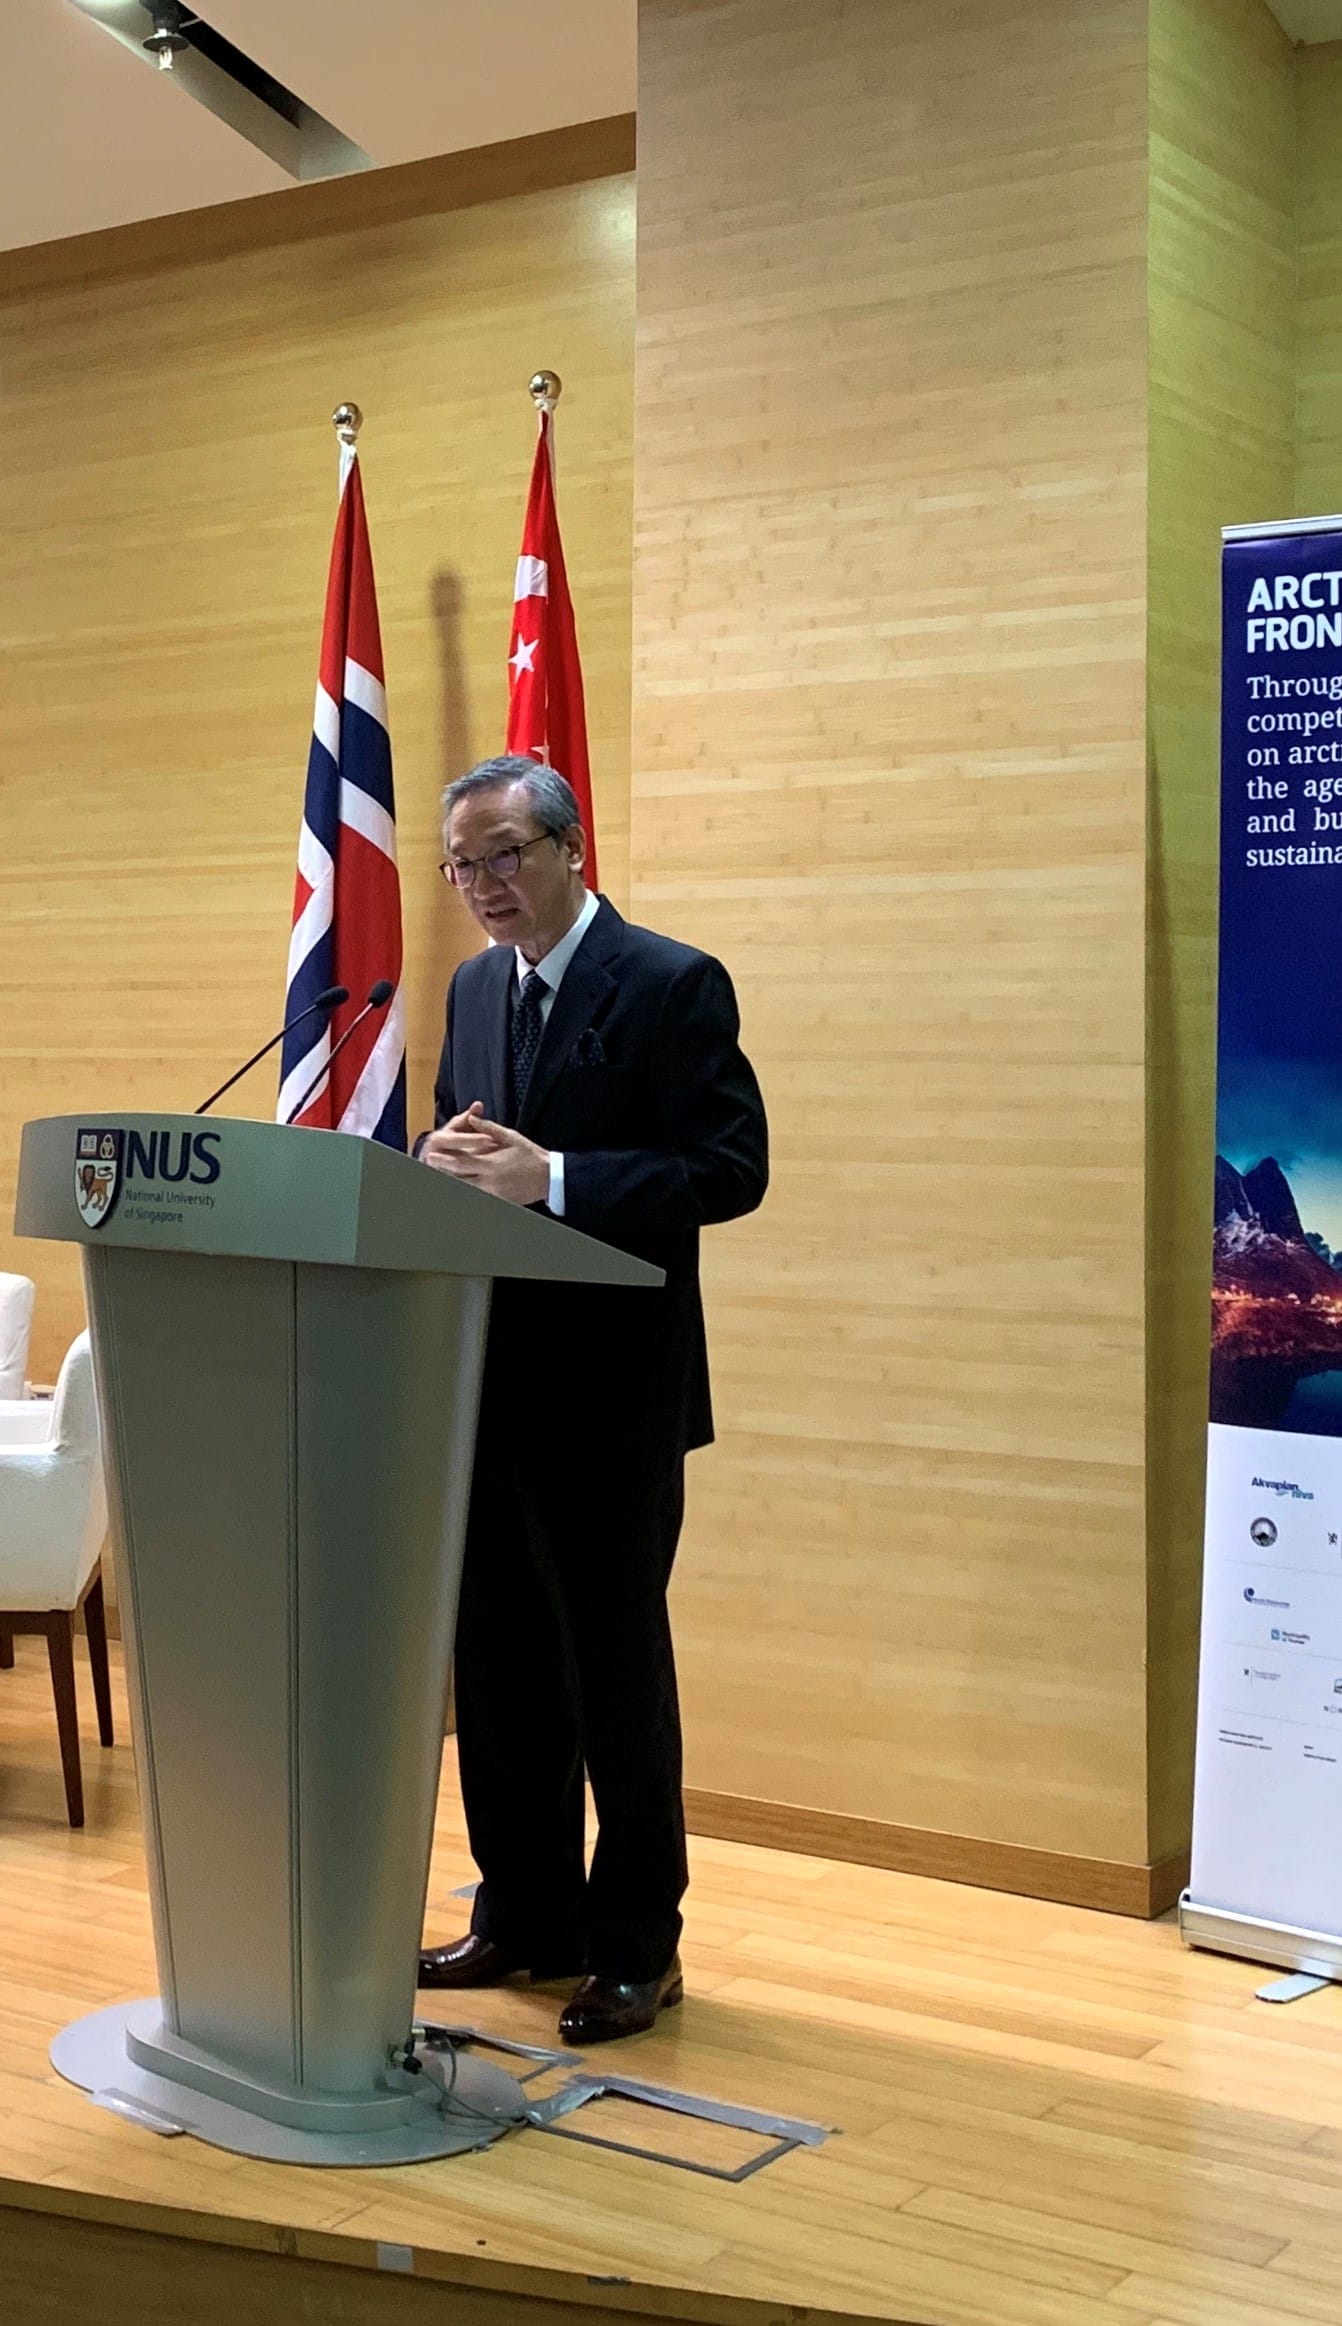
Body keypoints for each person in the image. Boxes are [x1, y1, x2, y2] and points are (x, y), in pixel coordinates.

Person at [416, 754, 767, 2043]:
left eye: (505, 856)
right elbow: (476, 1153)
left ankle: (634, 1947)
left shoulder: (672, 982)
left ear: (571, 848)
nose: (483, 888)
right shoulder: (467, 986)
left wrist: (553, 1177)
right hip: (484, 1386)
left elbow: (730, 1169)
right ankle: (525, 1915)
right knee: (498, 1670)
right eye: (463, 867)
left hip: (615, 1399)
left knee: (613, 1675)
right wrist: (442, 1163)